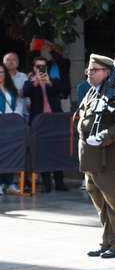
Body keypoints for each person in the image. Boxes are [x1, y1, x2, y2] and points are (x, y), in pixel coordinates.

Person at [78, 54, 115, 258]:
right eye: (89, 70)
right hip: (92, 159)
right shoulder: (92, 93)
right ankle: (107, 240)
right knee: (101, 204)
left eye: (94, 70)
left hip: (111, 159)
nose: (89, 73)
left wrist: (105, 136)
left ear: (107, 72)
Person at [22, 55, 67, 192]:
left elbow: (63, 91)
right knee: (42, 152)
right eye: (38, 66)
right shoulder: (29, 82)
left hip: (54, 121)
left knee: (57, 151)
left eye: (43, 66)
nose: (40, 69)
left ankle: (59, 182)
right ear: (34, 68)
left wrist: (49, 83)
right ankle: (47, 184)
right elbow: (24, 92)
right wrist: (35, 82)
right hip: (39, 122)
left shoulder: (54, 80)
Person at [0, 64, 26, 194]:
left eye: (1, 72)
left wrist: (15, 116)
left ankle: (9, 183)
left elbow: (19, 104)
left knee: (10, 153)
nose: (0, 75)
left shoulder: (10, 89)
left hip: (12, 126)